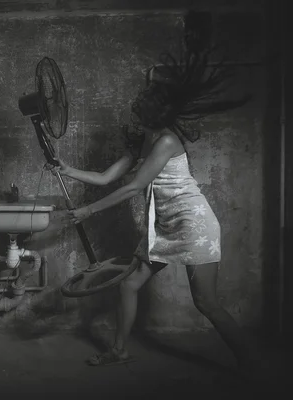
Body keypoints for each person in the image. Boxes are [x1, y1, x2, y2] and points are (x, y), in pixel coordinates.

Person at [51, 48, 260, 378]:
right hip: (164, 226)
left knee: (206, 302)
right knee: (129, 285)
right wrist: (68, 170)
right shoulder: (143, 140)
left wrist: (87, 210)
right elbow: (108, 177)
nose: (134, 110)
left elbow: (134, 187)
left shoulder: (165, 142)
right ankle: (119, 351)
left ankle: (251, 364)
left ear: (152, 113)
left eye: (139, 107)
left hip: (193, 225)